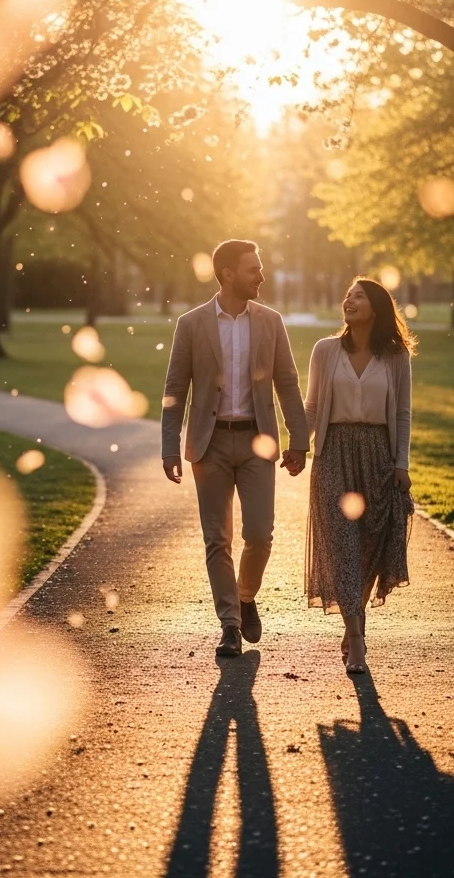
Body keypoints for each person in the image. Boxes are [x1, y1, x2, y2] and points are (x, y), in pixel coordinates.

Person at [161, 239, 309, 657]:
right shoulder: (191, 325)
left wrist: (299, 440)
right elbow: (175, 389)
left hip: (258, 441)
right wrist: (170, 447)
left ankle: (245, 598)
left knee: (260, 534)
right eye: (252, 269)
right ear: (227, 274)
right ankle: (229, 623)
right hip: (209, 445)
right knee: (217, 539)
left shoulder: (270, 321)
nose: (260, 276)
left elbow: (287, 383)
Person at [303, 277, 416, 674]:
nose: (349, 300)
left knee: (369, 547)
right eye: (347, 294)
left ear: (377, 308)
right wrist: (297, 442)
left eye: (359, 296)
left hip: (378, 458)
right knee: (343, 548)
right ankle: (357, 641)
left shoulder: (396, 356)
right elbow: (313, 406)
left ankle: (354, 622)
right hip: (334, 454)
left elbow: (401, 413)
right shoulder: (325, 350)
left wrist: (400, 464)